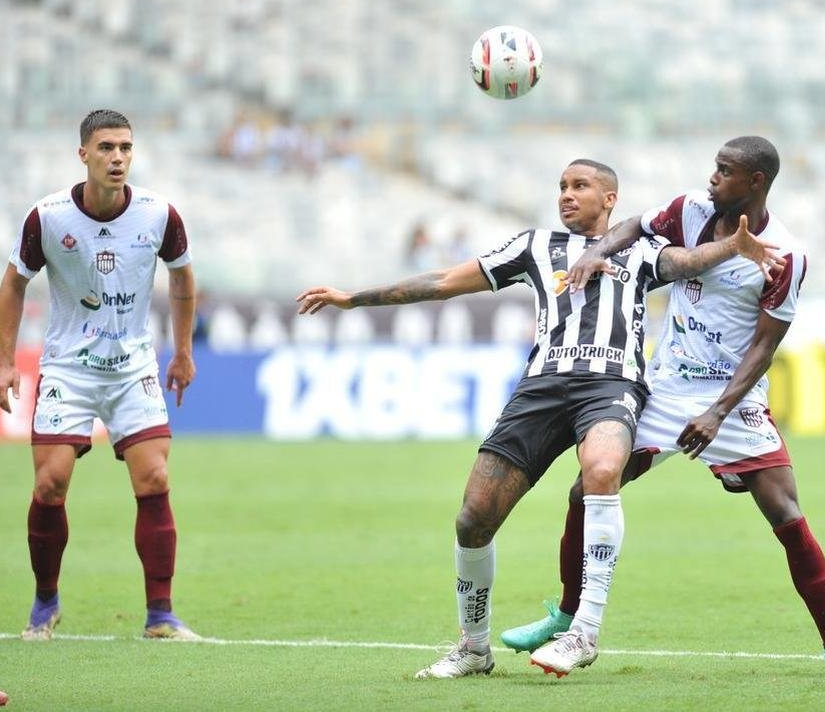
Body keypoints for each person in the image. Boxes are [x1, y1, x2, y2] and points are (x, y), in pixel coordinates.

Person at [296, 158, 784, 678]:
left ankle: (583, 633)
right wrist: (354, 298)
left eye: (580, 186)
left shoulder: (642, 249)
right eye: (561, 187)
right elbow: (445, 280)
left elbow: (689, 262)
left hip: (611, 384)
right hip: (541, 389)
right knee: (474, 516)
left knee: (601, 472)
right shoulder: (533, 245)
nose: (567, 195)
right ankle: (473, 647)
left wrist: (734, 246)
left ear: (611, 199)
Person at [499, 137, 825, 679]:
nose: (712, 178)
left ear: (756, 183)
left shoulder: (786, 255)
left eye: (725, 171)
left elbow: (765, 346)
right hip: (665, 390)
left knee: (787, 516)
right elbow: (632, 226)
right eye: (715, 168)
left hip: (731, 404)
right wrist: (596, 251)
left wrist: (719, 412)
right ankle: (565, 613)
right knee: (587, 488)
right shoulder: (691, 210)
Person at [0, 109, 201, 642]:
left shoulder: (159, 214)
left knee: (154, 478)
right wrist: (6, 361)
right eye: (106, 147)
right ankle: (45, 603)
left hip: (133, 366)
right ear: (83, 153)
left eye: (126, 148)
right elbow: (14, 284)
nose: (118, 158)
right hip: (69, 367)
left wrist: (182, 352)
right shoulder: (49, 216)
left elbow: (182, 280)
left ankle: (161, 615)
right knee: (50, 484)